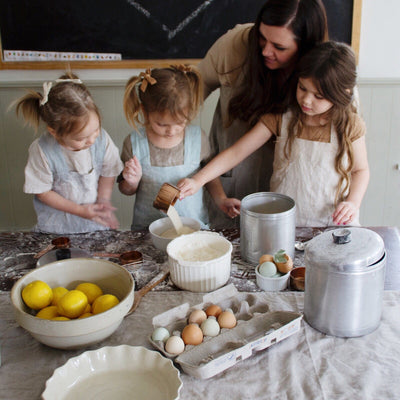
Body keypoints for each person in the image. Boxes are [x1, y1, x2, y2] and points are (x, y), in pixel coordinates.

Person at [178, 41, 369, 227]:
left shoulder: (349, 125)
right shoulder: (281, 118)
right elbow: (236, 153)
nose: (306, 100)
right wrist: (198, 180)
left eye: (318, 96)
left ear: (342, 93)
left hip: (333, 225)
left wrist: (353, 203)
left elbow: (361, 170)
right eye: (302, 88)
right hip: (284, 225)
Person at [199, 0, 328, 228]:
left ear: (306, 47)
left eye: (279, 47)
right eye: (261, 37)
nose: (266, 51)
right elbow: (192, 90)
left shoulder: (329, 70)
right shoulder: (233, 46)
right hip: (231, 185)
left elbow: (349, 147)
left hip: (294, 197)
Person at [118, 65, 240, 230]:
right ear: (145, 112)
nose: (171, 131)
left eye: (180, 123)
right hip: (148, 230)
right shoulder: (134, 143)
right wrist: (131, 182)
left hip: (193, 227)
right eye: (161, 124)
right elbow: (125, 190)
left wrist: (221, 199)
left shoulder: (198, 138)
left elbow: (209, 175)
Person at [15, 72, 123, 234]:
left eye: (96, 130)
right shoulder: (42, 150)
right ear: (54, 132)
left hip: (94, 224)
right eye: (82, 138)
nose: (92, 140)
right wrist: (80, 211)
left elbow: (108, 173)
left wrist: (103, 200)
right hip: (56, 228)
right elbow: (43, 192)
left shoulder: (102, 140)